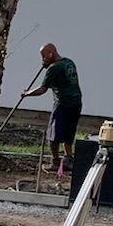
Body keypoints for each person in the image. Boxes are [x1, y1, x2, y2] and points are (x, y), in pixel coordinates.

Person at [22, 42, 82, 183]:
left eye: (44, 56)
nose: (42, 60)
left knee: (53, 134)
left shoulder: (54, 68)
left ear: (51, 54)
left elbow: (42, 89)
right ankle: (69, 159)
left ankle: (55, 162)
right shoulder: (69, 62)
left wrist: (27, 93)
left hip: (63, 103)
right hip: (76, 102)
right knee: (69, 132)